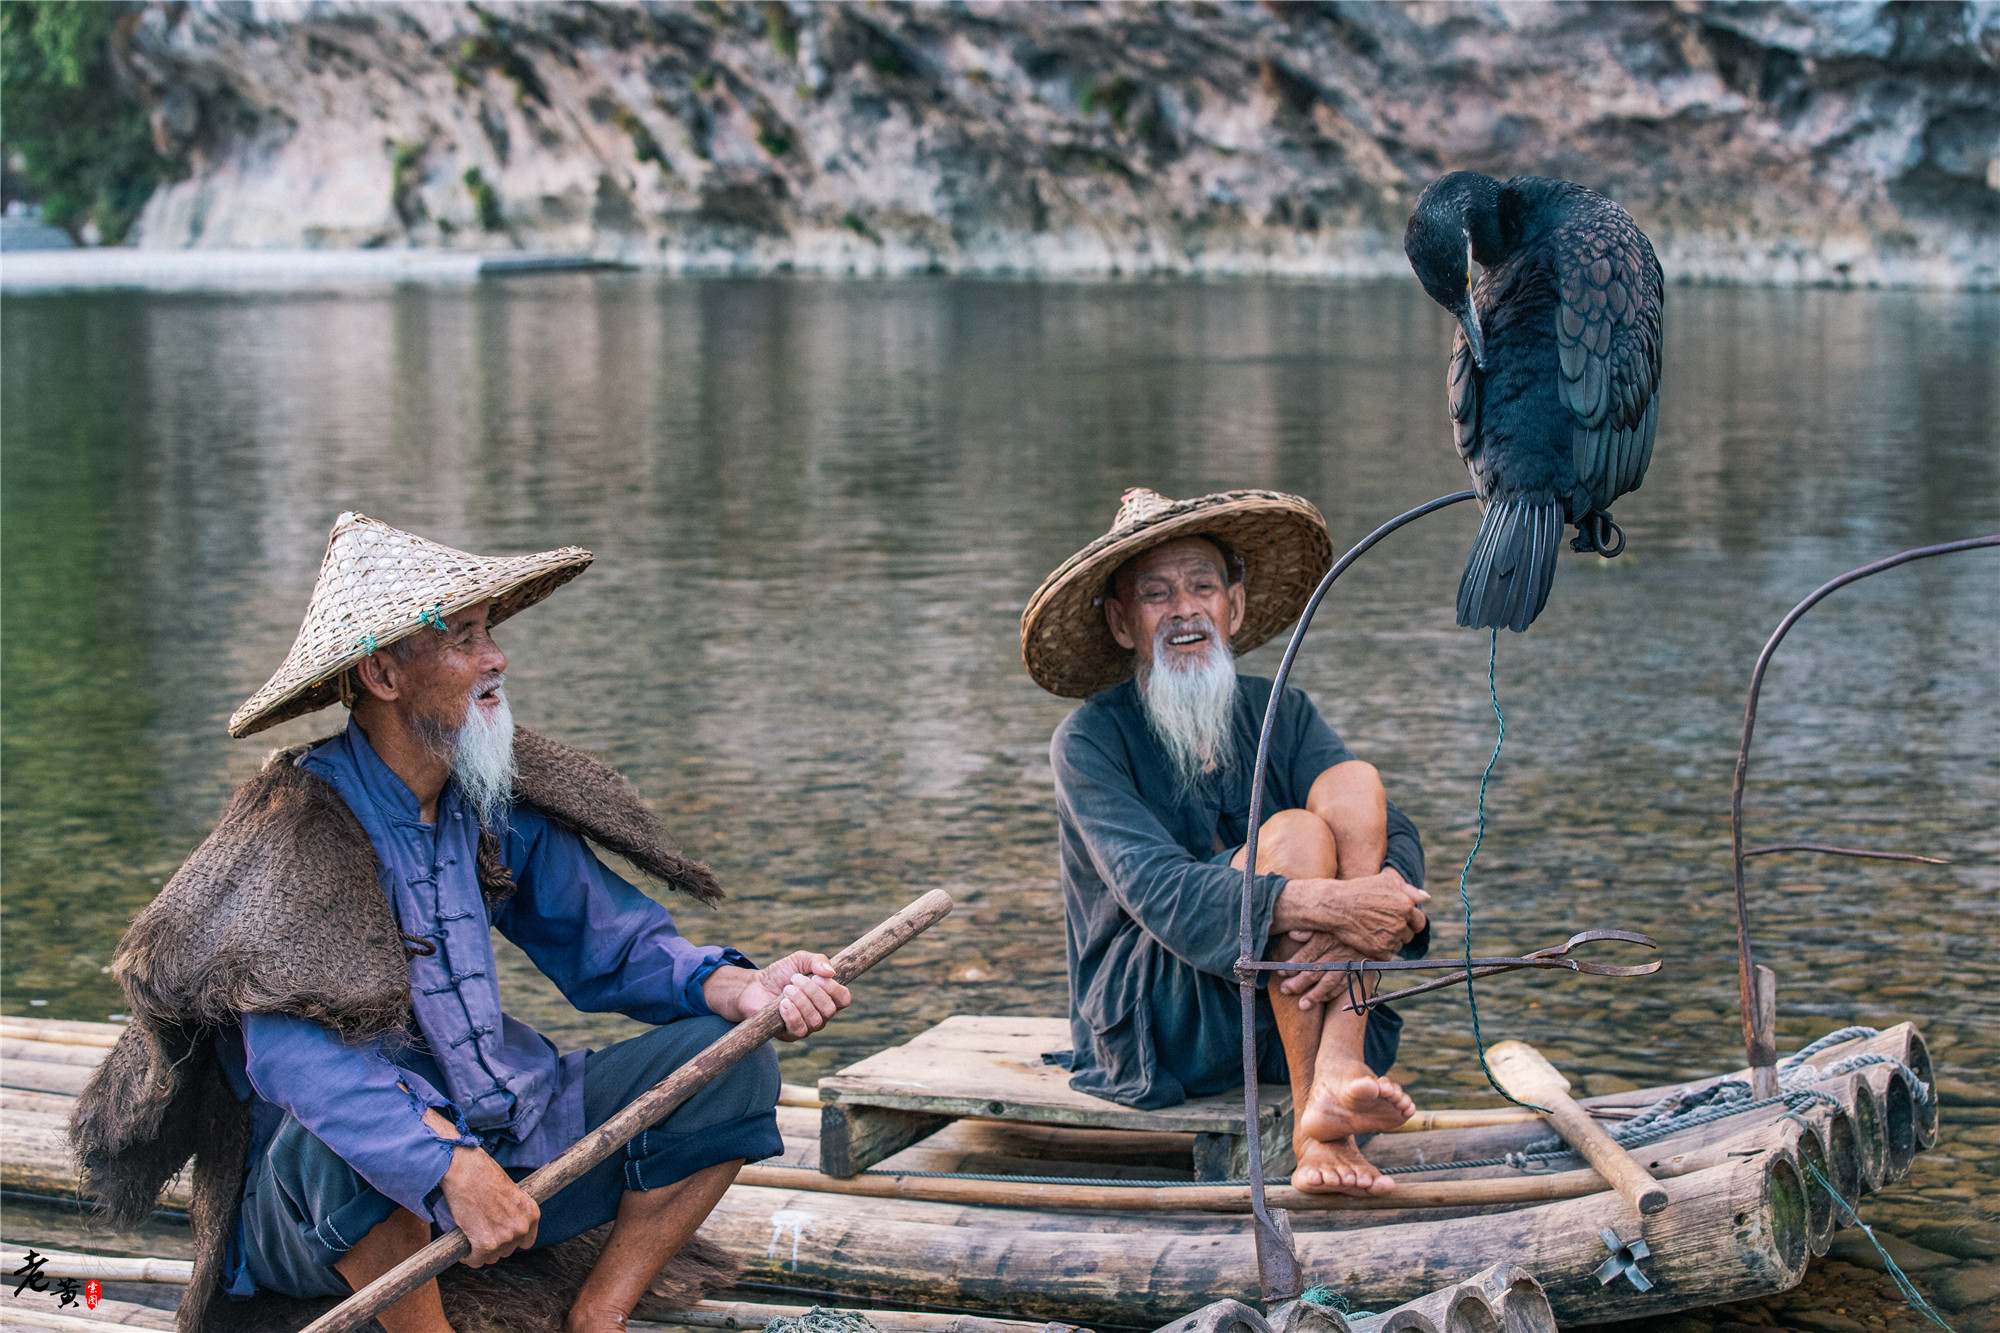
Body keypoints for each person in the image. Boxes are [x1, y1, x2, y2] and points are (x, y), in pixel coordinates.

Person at [73, 513, 849, 1333]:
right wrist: (442, 1161)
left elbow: (610, 942)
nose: (496, 657)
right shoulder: (297, 829)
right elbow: (294, 1059)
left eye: (491, 632)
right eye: (466, 638)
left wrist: (740, 987)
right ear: (381, 672)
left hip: (509, 1136)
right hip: (315, 1206)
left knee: (728, 1062)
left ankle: (601, 1314)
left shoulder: (482, 798)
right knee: (336, 1145)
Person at [1021, 488, 1431, 1196]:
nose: (1184, 607)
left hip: (1295, 1002)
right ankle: (1318, 1123)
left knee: (1355, 782)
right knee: (1296, 835)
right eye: (1155, 593)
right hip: (1163, 1025)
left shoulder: (1282, 710)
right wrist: (1332, 908)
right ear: (1124, 623)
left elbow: (1391, 830)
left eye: (1202, 586)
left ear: (1232, 609)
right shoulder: (1089, 740)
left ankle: (1338, 1065)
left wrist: (1377, 902)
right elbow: (1161, 892)